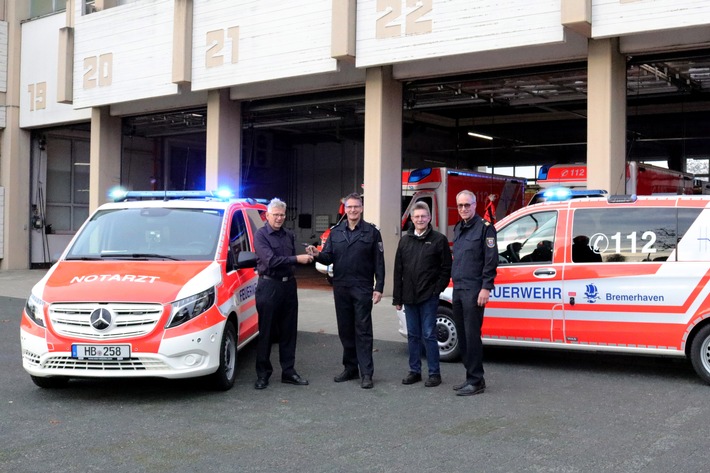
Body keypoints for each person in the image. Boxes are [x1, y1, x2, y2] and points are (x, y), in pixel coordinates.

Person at [306, 193, 385, 389]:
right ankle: (350, 368)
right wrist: (317, 254)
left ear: (362, 208)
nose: (353, 210)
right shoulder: (336, 232)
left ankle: (366, 373)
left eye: (356, 207)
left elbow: (379, 263)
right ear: (345, 209)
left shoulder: (372, 232)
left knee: (363, 331)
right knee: (345, 330)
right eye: (349, 207)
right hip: (341, 287)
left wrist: (379, 287)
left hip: (362, 286)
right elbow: (328, 258)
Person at [253, 198, 313, 390]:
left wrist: (308, 252)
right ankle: (263, 374)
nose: (279, 218)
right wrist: (297, 258)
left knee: (289, 331)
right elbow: (271, 261)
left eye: (282, 215)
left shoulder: (288, 235)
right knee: (267, 333)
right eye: (276, 215)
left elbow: (293, 258)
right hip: (269, 287)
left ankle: (289, 371)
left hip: (288, 287)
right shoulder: (261, 235)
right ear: (267, 215)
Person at [393, 201, 452, 387]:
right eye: (416, 216)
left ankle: (434, 374)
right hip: (409, 297)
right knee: (413, 335)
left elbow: (446, 268)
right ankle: (414, 371)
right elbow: (398, 270)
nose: (420, 219)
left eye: (423, 216)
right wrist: (397, 297)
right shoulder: (404, 241)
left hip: (429, 297)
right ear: (411, 218)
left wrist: (436, 290)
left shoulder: (438, 240)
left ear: (429, 218)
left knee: (429, 335)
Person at [451, 190, 498, 396]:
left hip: (474, 289)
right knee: (462, 335)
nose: (463, 209)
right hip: (459, 288)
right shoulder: (458, 228)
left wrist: (486, 287)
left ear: (475, 205)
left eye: (467, 205)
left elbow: (491, 259)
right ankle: (470, 375)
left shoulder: (485, 228)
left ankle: (476, 380)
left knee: (472, 336)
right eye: (460, 205)